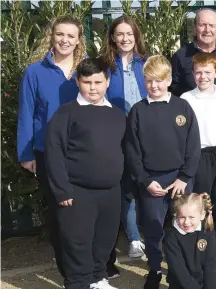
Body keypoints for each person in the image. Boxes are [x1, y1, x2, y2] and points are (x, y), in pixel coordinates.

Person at [45, 58, 126, 289]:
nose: (93, 87)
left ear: (107, 82)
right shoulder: (66, 113)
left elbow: (124, 152)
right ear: (78, 83)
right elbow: (54, 152)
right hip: (77, 193)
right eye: (87, 82)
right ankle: (78, 283)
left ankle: (97, 279)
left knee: (104, 242)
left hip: (110, 193)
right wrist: (62, 190)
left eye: (98, 82)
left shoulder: (117, 114)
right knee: (78, 244)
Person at [124, 55, 201, 289]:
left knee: (185, 224)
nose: (154, 86)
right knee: (154, 227)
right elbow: (132, 152)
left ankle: (185, 269)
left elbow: (193, 145)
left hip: (180, 179)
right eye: (149, 81)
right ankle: (156, 268)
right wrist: (145, 180)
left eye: (159, 81)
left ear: (168, 80)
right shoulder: (137, 111)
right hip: (152, 182)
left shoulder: (182, 107)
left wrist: (184, 178)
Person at [17, 16, 85, 276]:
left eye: (70, 36)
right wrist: (26, 154)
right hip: (47, 154)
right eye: (60, 34)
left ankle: (86, 264)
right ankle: (66, 266)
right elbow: (26, 113)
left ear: (79, 40)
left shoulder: (85, 71)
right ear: (52, 36)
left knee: (83, 210)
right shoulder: (34, 72)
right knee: (59, 212)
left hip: (82, 154)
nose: (65, 40)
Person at [100, 15, 148, 276]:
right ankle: (133, 238)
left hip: (145, 136)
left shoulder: (147, 63)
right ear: (112, 37)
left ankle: (151, 235)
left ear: (136, 35)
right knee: (125, 188)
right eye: (120, 34)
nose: (125, 38)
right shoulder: (106, 67)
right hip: (117, 136)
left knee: (147, 185)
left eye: (129, 33)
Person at [180, 52, 216, 266]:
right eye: (198, 72)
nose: (202, 76)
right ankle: (201, 247)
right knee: (201, 204)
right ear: (193, 74)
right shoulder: (186, 99)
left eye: (207, 72)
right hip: (199, 155)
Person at [170, 9, 216, 96]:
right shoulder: (181, 55)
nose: (207, 30)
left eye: (212, 25)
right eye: (202, 25)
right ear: (195, 28)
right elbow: (173, 88)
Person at [163, 193, 216, 289]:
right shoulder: (171, 238)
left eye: (191, 217)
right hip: (181, 285)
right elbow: (179, 271)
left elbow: (210, 264)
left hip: (204, 282)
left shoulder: (207, 232)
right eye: (182, 217)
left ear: (202, 215)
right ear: (176, 215)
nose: (186, 222)